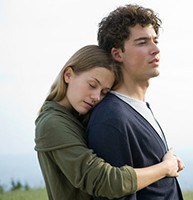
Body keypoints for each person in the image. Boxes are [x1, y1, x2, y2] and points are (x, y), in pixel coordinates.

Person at [34, 45, 181, 200]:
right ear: (68, 75)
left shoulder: (77, 116)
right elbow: (103, 180)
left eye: (104, 92)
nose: (96, 96)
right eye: (92, 85)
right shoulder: (51, 123)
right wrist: (165, 168)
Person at [87, 4, 184, 200]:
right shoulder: (111, 119)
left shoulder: (137, 108)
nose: (155, 49)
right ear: (117, 54)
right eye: (142, 42)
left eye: (155, 41)